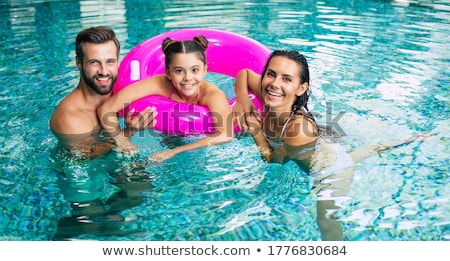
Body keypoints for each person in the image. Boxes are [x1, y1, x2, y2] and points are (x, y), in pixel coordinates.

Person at [232, 50, 430, 240]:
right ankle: (403, 140)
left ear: (301, 88)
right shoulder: (271, 93)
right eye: (271, 74)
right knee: (361, 152)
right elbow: (244, 74)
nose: (275, 84)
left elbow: (273, 159)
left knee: (326, 221)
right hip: (324, 148)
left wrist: (255, 130)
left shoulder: (298, 130)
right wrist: (242, 100)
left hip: (330, 171)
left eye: (287, 79)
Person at [49, 26, 155, 239]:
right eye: (94, 62)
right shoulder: (70, 116)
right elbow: (84, 156)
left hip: (109, 151)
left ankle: (112, 217)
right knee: (90, 218)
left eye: (110, 61)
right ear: (79, 64)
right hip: (76, 167)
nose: (104, 72)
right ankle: (66, 233)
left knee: (140, 191)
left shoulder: (117, 90)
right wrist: (130, 131)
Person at [97, 36, 233, 162]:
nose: (188, 78)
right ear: (168, 73)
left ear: (205, 70)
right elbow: (106, 108)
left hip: (199, 136)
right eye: (179, 71)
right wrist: (121, 140)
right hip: (168, 133)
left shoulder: (213, 95)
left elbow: (226, 134)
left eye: (195, 70)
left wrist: (176, 151)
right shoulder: (159, 84)